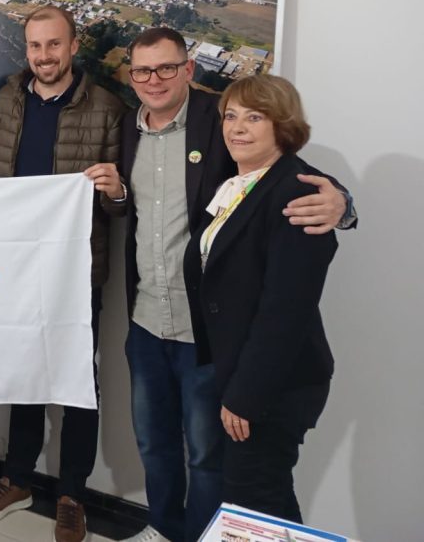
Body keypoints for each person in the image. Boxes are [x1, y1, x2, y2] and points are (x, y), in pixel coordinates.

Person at [97, 28, 352, 542]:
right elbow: (140, 209)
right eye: (142, 70)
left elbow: (292, 177)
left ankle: (202, 535)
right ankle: (163, 528)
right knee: (155, 444)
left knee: (210, 456)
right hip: (146, 319)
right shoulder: (126, 127)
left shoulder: (217, 121)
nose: (154, 79)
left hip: (207, 334)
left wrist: (342, 204)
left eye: (166, 67)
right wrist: (118, 195)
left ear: (188, 69)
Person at [0, 5, 125, 542]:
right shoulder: (8, 97)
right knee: (23, 372)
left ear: (74, 45)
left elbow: (119, 206)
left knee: (78, 382)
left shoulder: (106, 107)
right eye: (35, 46)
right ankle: (17, 478)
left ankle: (72, 494)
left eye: (54, 44)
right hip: (14, 266)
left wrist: (115, 192)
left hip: (75, 273)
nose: (44, 56)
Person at [182, 74, 337, 523]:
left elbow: (285, 311)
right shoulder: (242, 183)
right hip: (243, 370)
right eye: (230, 116)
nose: (237, 128)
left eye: (254, 117)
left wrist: (246, 396)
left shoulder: (298, 192)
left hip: (275, 382)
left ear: (282, 125)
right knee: (264, 499)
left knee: (254, 501)